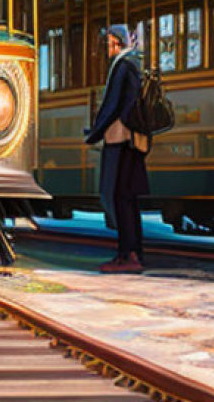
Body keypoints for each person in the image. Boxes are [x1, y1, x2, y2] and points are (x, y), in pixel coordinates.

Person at [84, 24, 149, 273]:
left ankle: (127, 255)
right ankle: (132, 253)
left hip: (122, 141)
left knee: (120, 196)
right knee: (127, 198)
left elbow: (112, 106)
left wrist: (95, 133)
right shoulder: (133, 64)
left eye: (110, 42)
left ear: (119, 43)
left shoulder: (123, 66)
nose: (107, 48)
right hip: (132, 142)